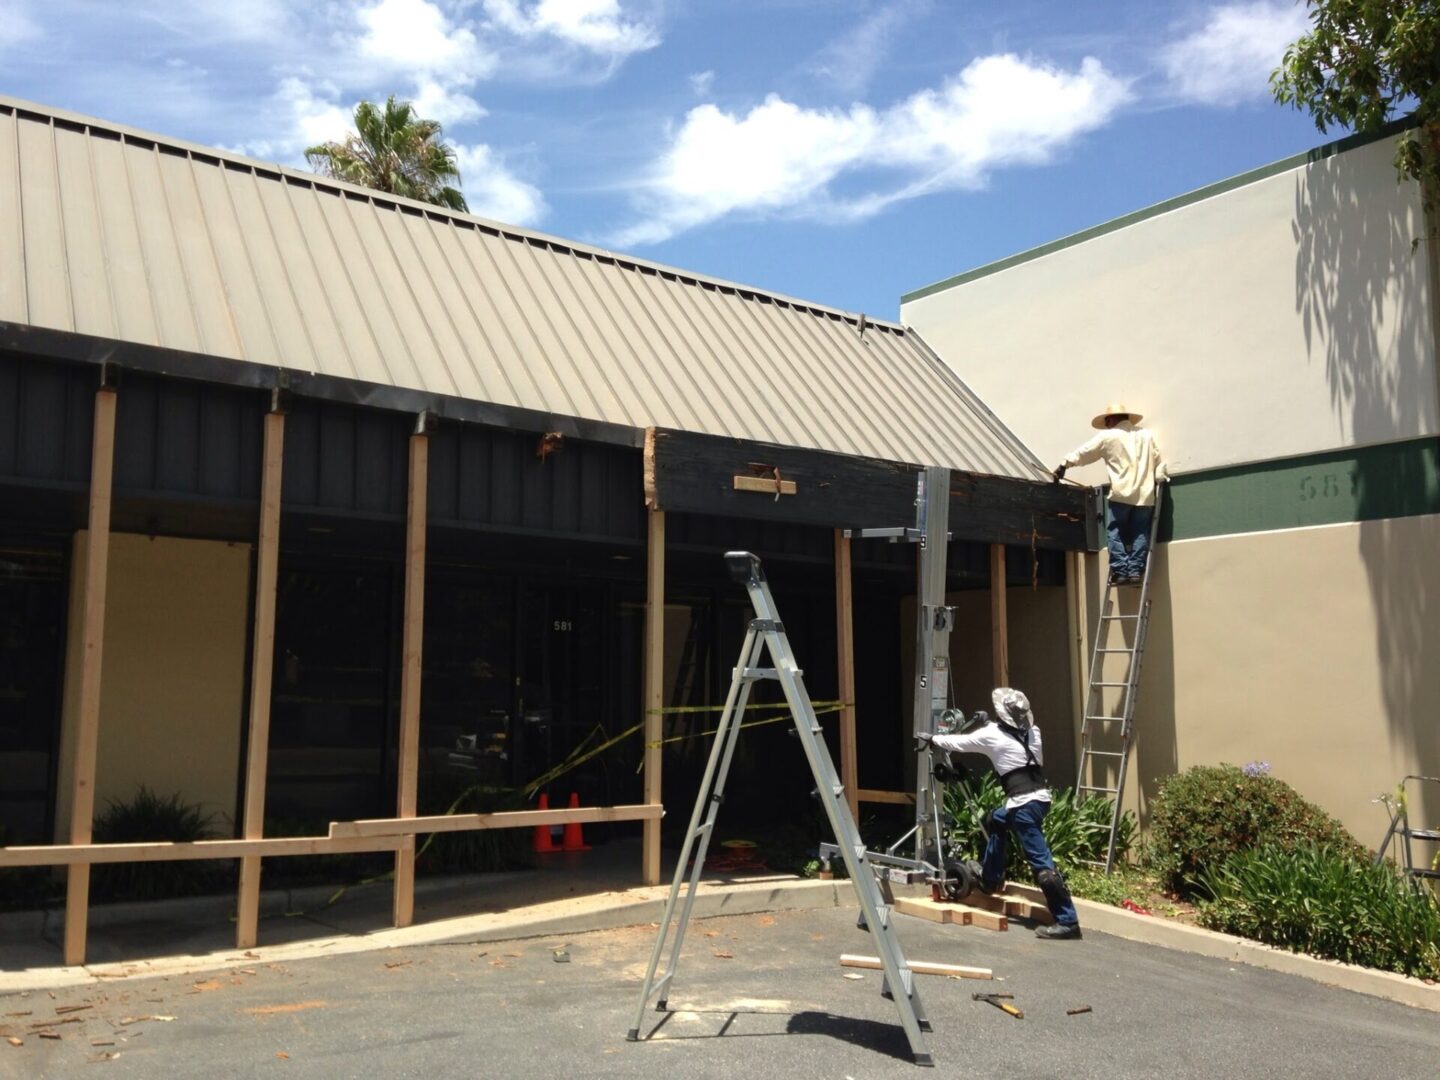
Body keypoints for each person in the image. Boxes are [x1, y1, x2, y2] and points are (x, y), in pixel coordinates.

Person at [919, 688, 1081, 940]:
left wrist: (933, 738)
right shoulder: (1033, 732)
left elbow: (959, 743)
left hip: (1023, 807)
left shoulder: (991, 735)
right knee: (996, 819)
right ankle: (990, 879)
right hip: (1039, 800)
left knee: (1042, 864)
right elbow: (1006, 733)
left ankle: (1067, 921)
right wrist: (987, 723)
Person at [1053, 403, 1168, 586]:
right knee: (1140, 532)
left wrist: (1063, 466)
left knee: (1116, 532)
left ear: (1111, 420)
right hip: (1145, 494)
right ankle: (1136, 571)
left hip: (1121, 494)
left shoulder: (1108, 436)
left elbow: (1085, 453)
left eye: (1107, 423)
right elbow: (1157, 460)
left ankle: (1121, 571)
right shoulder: (1146, 435)